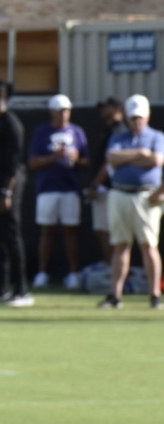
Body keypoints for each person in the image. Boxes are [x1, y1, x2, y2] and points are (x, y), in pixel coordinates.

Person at [98, 94, 164, 309]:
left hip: (147, 197)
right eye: (134, 117)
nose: (137, 121)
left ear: (147, 117)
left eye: (141, 117)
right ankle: (115, 296)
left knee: (148, 246)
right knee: (120, 245)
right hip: (119, 194)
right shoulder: (119, 137)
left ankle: (154, 295)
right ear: (127, 117)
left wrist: (128, 157)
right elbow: (111, 158)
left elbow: (156, 160)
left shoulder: (157, 137)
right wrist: (140, 154)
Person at [27, 94, 89, 290]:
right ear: (52, 112)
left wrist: (76, 158)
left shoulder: (77, 132)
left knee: (71, 232)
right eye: (60, 110)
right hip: (47, 189)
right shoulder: (42, 132)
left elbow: (86, 162)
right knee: (47, 231)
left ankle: (73, 274)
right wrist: (54, 157)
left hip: (70, 189)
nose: (64, 114)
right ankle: (43, 273)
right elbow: (33, 162)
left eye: (67, 110)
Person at [0, 79, 32, 306]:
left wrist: (6, 193)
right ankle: (1, 290)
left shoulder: (11, 124)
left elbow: (15, 163)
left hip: (7, 186)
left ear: (0, 95)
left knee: (11, 238)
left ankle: (21, 291)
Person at [84, 96, 125, 265]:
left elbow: (110, 162)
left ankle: (114, 271)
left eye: (106, 107)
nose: (103, 111)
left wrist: (96, 184)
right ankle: (111, 270)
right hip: (103, 189)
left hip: (110, 189)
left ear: (117, 109)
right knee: (102, 231)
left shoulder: (118, 131)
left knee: (109, 232)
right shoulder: (108, 130)